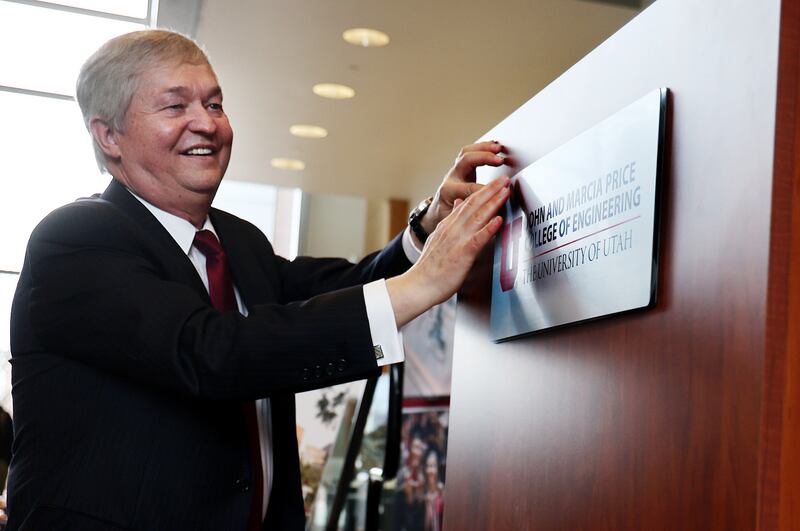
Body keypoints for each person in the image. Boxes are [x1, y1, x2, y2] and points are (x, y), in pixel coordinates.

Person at [7, 30, 510, 531]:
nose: (206, 124)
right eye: (175, 107)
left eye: (215, 104)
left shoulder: (238, 241)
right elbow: (209, 352)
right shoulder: (75, 240)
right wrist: (422, 284)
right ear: (108, 135)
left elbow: (343, 288)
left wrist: (428, 228)